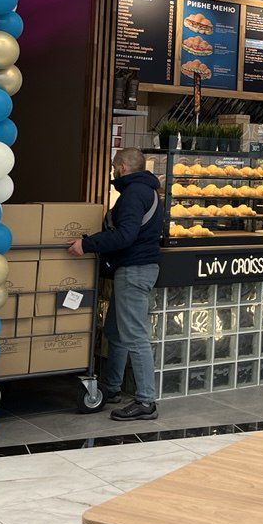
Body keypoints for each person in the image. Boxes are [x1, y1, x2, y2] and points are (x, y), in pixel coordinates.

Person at [68, 147, 161, 420]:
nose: (112, 171)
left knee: (135, 335)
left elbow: (125, 236)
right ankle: (112, 388)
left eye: (113, 166)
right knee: (116, 332)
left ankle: (146, 401)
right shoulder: (149, 191)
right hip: (135, 269)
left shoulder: (133, 193)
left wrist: (86, 244)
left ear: (122, 167)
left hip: (134, 270)